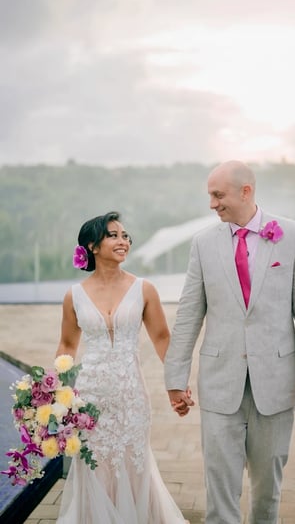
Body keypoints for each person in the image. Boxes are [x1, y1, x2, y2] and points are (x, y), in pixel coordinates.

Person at [164, 161, 295, 524]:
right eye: (210, 195)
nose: (212, 204)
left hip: (277, 382)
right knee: (219, 490)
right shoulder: (203, 244)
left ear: (245, 192)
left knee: (267, 492)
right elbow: (189, 313)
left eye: (218, 195)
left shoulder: (294, 236)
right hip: (220, 382)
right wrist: (176, 378)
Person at [55, 211, 188, 524]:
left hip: (131, 395)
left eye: (125, 235)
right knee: (94, 464)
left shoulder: (144, 289)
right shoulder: (73, 295)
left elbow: (161, 339)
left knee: (133, 462)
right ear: (92, 246)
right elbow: (67, 346)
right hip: (90, 396)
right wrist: (57, 392)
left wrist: (178, 385)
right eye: (113, 235)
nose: (123, 241)